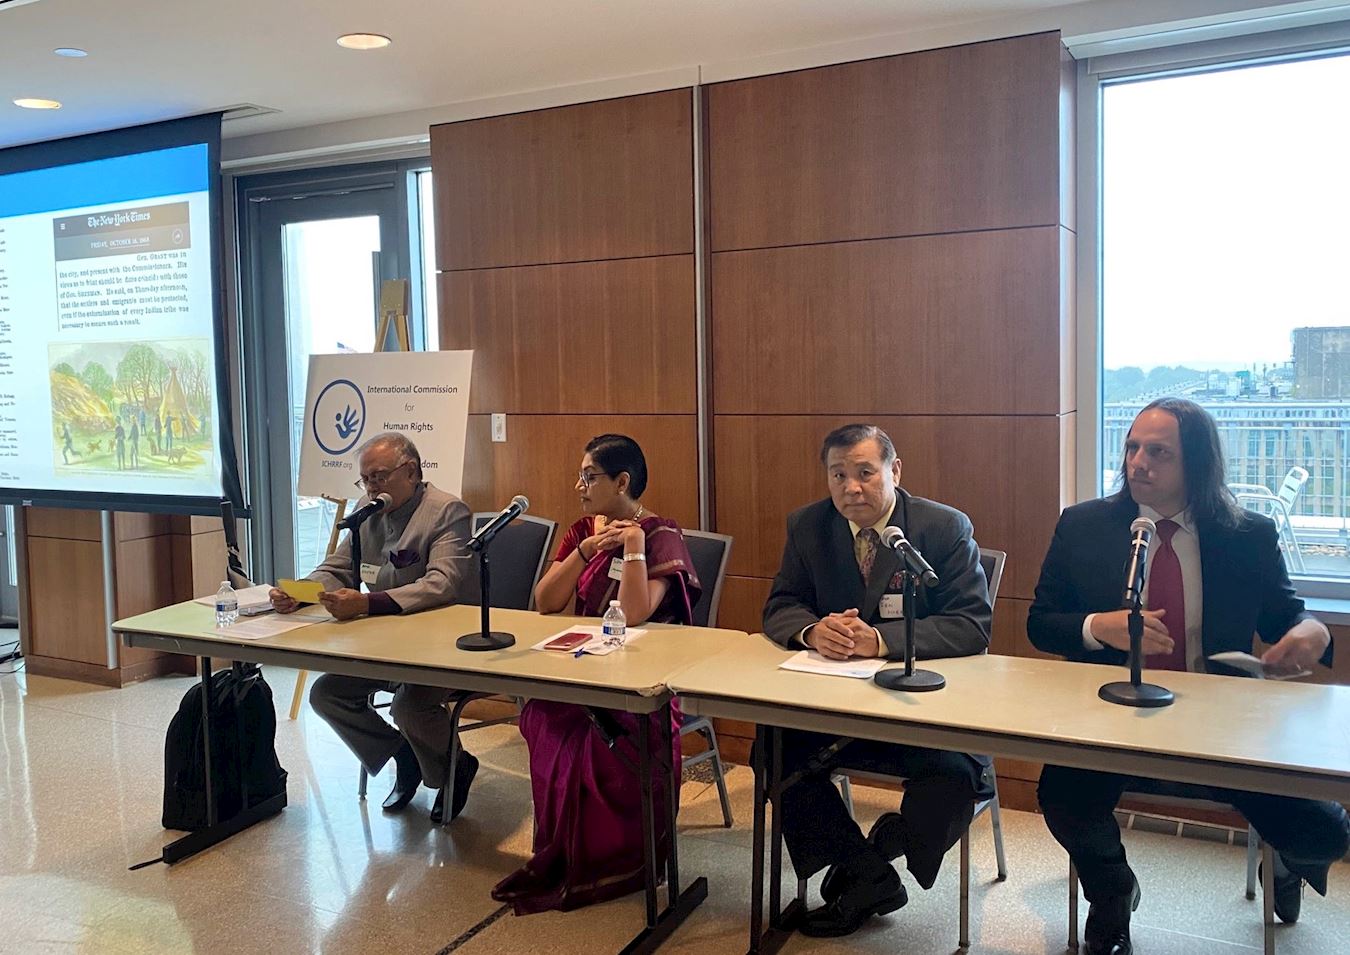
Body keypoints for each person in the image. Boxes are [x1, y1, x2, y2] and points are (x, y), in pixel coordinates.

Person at [1029, 398, 1347, 955]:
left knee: (1326, 831)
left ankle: (1286, 861)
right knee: (1062, 799)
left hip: (1219, 723)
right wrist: (1098, 626)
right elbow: (1041, 623)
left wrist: (1313, 633)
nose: (1138, 463)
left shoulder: (1246, 534)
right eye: (1132, 448)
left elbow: (1288, 617)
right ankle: (1112, 892)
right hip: (1111, 713)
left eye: (1159, 453)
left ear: (1197, 463)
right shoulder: (1084, 526)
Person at [762, 423, 992, 937]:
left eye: (865, 473)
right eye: (838, 475)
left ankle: (891, 843)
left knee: (956, 776)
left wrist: (881, 641)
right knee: (774, 748)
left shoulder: (943, 527)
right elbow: (781, 604)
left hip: (922, 712)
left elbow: (971, 624)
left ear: (895, 471)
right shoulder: (808, 526)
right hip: (837, 708)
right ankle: (868, 875)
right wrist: (811, 631)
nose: (851, 488)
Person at [492, 433, 702, 914]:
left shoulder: (661, 534)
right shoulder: (583, 531)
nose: (579, 486)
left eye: (589, 477)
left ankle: (617, 859)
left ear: (622, 482)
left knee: (595, 737)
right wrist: (583, 552)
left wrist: (633, 546)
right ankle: (562, 851)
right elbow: (546, 602)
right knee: (543, 714)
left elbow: (635, 613)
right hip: (584, 668)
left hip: (641, 682)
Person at [269, 432, 479, 823]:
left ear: (411, 472)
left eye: (379, 477)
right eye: (365, 479)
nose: (370, 487)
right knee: (326, 694)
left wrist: (367, 603)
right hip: (384, 644)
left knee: (409, 706)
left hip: (440, 647)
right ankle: (402, 755)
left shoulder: (447, 511)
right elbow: (339, 567)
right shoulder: (366, 511)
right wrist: (299, 593)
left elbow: (442, 583)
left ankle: (455, 767)